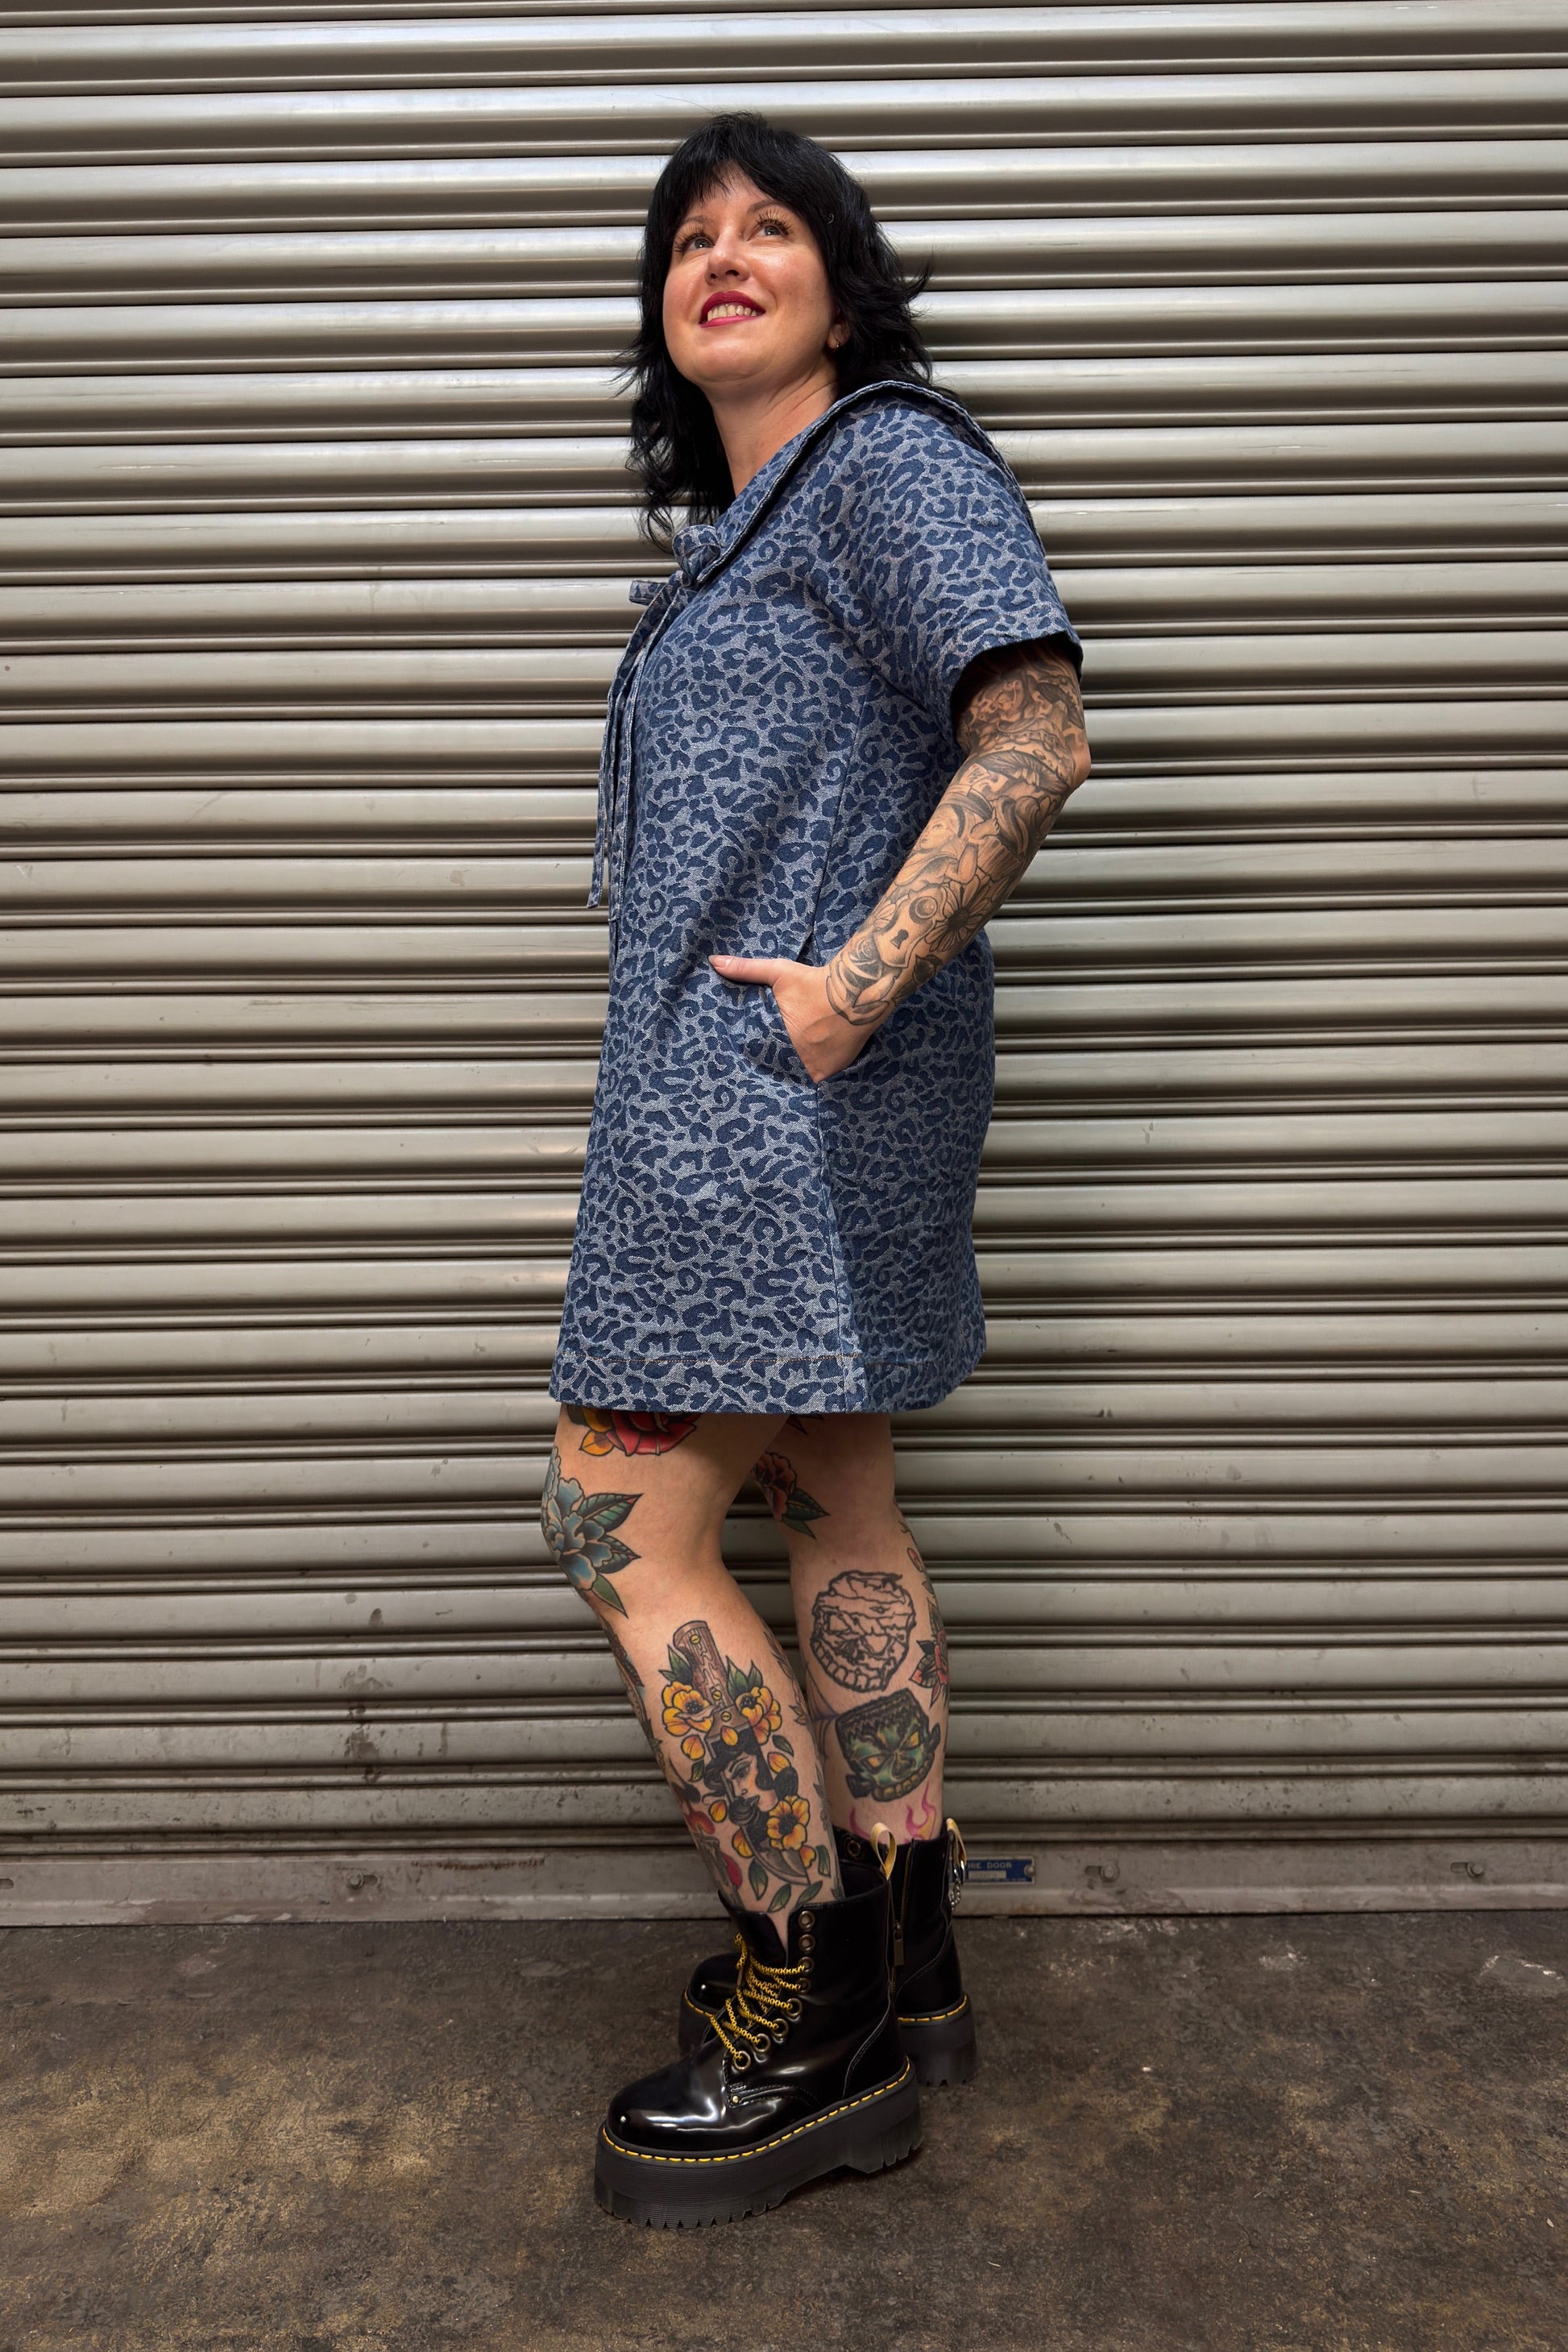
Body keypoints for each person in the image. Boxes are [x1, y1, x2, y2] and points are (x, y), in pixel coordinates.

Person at [544, 111, 1089, 2227]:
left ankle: (817, 2006)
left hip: (775, 1105)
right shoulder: (746, 538)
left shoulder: (885, 463)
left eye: (774, 228)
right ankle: (913, 1946)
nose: (723, 255)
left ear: (845, 292)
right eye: (689, 238)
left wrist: (849, 986)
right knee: (828, 1484)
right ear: (662, 321)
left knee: (618, 1508)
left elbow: (1030, 728)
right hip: (773, 1103)